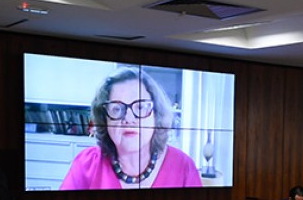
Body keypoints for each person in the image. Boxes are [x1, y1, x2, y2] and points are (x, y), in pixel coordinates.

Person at [60, 68, 202, 189]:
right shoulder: (86, 164)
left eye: (140, 107)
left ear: (156, 115)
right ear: (105, 119)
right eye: (117, 109)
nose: (129, 118)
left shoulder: (184, 166)